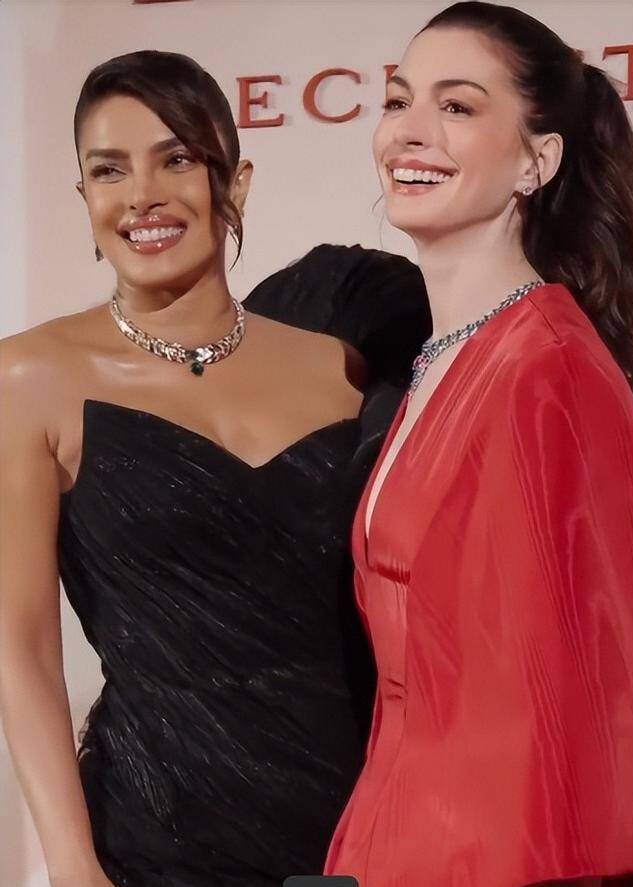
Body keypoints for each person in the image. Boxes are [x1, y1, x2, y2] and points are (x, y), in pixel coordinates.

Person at [0, 50, 430, 887]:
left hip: (355, 829)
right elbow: (22, 649)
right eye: (109, 170)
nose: (142, 195)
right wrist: (73, 865)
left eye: (177, 159)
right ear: (84, 198)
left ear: (236, 184)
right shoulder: (29, 379)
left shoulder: (340, 370)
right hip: (152, 842)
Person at [324, 3, 633, 886]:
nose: (409, 130)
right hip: (392, 840)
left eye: (457, 106)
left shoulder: (548, 371)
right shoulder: (448, 357)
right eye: (399, 100)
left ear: (538, 161)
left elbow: (563, 724)